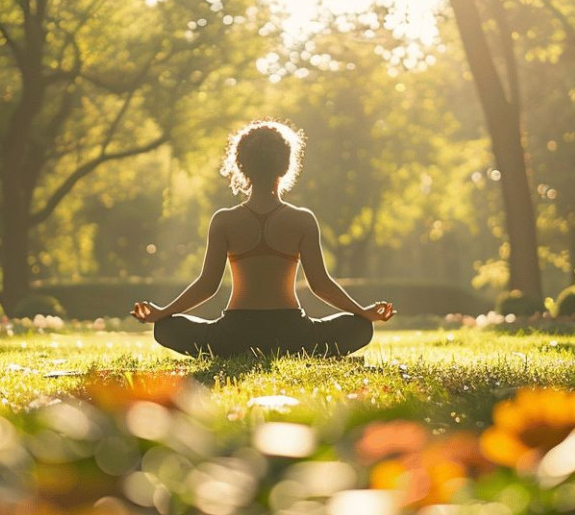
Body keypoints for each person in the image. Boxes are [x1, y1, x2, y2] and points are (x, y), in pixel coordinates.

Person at [131, 120, 395, 356]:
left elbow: (207, 286)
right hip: (293, 334)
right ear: (286, 165)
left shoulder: (224, 220)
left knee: (165, 329)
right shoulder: (302, 220)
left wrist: (161, 314)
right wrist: (363, 313)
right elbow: (321, 284)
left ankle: (218, 344)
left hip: (234, 335)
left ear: (241, 165)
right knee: (360, 328)